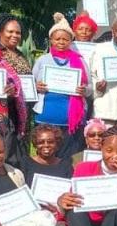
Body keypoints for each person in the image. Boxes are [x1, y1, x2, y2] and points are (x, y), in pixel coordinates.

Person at [33, 17, 90, 156]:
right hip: (45, 118)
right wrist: (36, 87)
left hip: (71, 122)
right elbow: (30, 86)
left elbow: (90, 89)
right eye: (57, 39)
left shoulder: (80, 61)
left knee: (69, 158)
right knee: (46, 156)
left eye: (65, 39)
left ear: (71, 41)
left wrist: (84, 90)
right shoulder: (42, 60)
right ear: (51, 40)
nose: (61, 42)